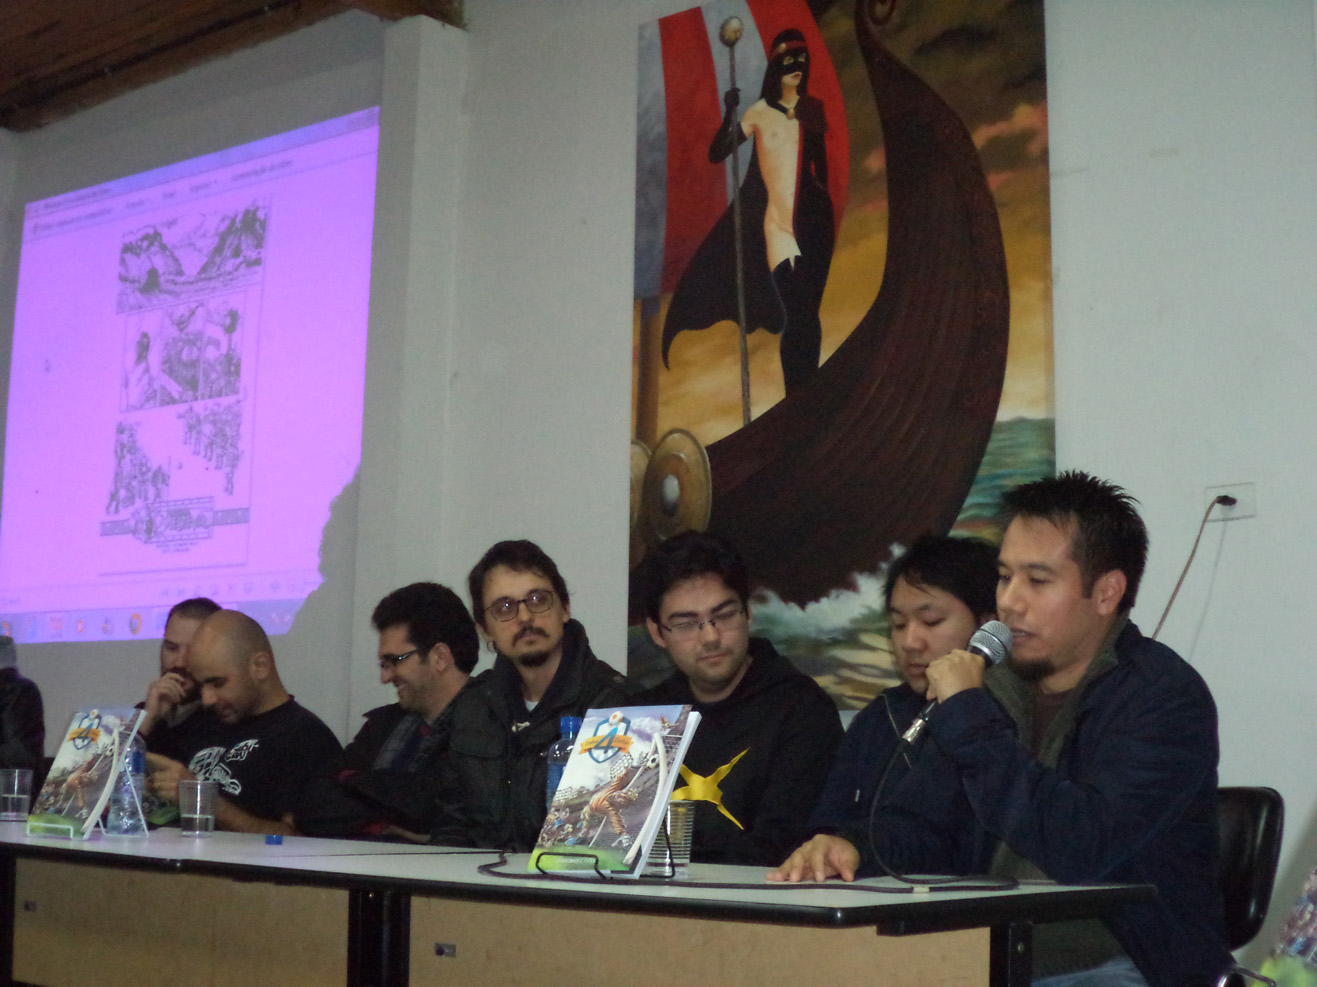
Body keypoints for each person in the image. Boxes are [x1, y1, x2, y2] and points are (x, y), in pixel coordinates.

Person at [771, 472, 1230, 987]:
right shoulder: (991, 687)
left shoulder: (1162, 698)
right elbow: (923, 829)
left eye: (1037, 580)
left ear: (1106, 593)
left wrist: (969, 717)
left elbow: (1080, 848)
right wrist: (853, 846)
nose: (1010, 601)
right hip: (985, 952)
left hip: (1120, 961)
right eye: (1005, 576)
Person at [637, 531, 842, 866]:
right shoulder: (643, 716)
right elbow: (606, 844)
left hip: (756, 894)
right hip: (653, 894)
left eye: (724, 615)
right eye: (686, 624)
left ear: (748, 611)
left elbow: (782, 845)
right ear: (657, 632)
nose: (710, 637)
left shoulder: (802, 710)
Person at [429, 540, 634, 850]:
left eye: (538, 600)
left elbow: (610, 841)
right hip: (476, 876)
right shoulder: (473, 705)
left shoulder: (613, 705)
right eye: (504, 607)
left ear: (565, 608)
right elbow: (451, 825)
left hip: (566, 878)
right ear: (485, 629)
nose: (525, 617)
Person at [662, 27, 835, 393]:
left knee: (809, 313)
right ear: (775, 67)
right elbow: (717, 152)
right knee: (795, 313)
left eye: (802, 59)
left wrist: (821, 208)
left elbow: (821, 169)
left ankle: (810, 393)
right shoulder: (759, 112)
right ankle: (797, 395)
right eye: (789, 60)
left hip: (814, 221)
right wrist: (729, 112)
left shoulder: (812, 109)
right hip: (777, 227)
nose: (797, 66)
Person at [806, 534, 998, 838]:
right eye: (898, 625)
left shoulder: (1005, 716)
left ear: (987, 625)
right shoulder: (881, 715)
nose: (910, 642)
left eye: (931, 621)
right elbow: (827, 819)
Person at [294, 582, 477, 840]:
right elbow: (312, 803)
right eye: (383, 663)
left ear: (440, 657)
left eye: (393, 661)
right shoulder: (382, 725)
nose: (385, 677)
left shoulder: (492, 724)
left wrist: (357, 784)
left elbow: (435, 810)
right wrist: (386, 827)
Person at [145, 609, 342, 835]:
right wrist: (148, 719)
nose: (207, 699)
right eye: (202, 685)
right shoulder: (202, 723)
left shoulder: (306, 739)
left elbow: (299, 840)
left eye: (218, 683)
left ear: (260, 666)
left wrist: (202, 798)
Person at [136, 596, 221, 758]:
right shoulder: (144, 713)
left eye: (192, 650)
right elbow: (104, 772)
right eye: (171, 648)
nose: (179, 663)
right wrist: (147, 720)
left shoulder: (227, 717)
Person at [0, 636, 44, 770]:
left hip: (11, 776)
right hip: (18, 776)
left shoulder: (17, 690)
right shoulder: (24, 689)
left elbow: (14, 747)